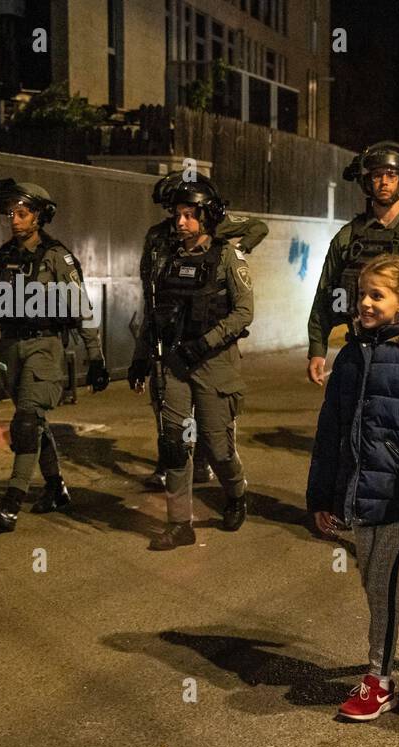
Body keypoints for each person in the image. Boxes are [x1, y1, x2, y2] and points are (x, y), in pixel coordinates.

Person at [306, 254, 399, 720]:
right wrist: (321, 496)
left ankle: (379, 681)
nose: (364, 304)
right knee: (375, 580)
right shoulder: (350, 354)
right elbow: (330, 431)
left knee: (380, 586)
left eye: (377, 295)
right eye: (362, 294)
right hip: (355, 487)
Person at [0, 179, 108, 532]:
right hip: (10, 348)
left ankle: (11, 504)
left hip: (45, 346)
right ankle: (55, 489)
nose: (14, 219)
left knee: (25, 422)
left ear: (39, 216)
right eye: (12, 213)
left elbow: (81, 306)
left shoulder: (57, 257)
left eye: (22, 213)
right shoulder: (2, 259)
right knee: (34, 422)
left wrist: (95, 358)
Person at [127, 176, 253, 551]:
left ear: (207, 216)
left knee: (217, 447)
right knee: (174, 445)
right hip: (172, 366)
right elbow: (152, 313)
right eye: (177, 215)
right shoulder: (165, 259)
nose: (180, 222)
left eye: (188, 215)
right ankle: (181, 523)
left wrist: (202, 346)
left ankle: (236, 493)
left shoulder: (228, 257)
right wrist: (140, 359)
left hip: (214, 365)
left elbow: (244, 313)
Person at [140, 171, 269, 490]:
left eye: (186, 211)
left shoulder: (219, 233)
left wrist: (239, 250)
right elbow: (150, 279)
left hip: (210, 343)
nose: (178, 219)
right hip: (173, 334)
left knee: (213, 422)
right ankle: (171, 465)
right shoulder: (160, 237)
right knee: (169, 412)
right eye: (173, 210)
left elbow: (257, 227)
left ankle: (210, 465)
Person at [306, 141, 399, 386]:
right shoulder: (347, 237)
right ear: (368, 181)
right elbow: (324, 295)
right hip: (360, 348)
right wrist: (317, 349)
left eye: (391, 175)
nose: (384, 182)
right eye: (377, 175)